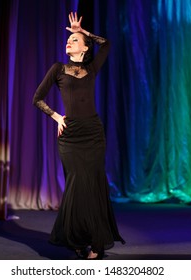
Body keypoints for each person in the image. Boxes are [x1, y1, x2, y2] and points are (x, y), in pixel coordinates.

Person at [32, 12, 125, 259]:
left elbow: (106, 44)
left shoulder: (92, 68)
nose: (69, 42)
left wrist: (84, 32)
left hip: (93, 134)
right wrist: (56, 117)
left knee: (93, 185)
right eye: (69, 40)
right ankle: (75, 237)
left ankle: (96, 241)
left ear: (84, 48)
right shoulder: (58, 69)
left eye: (74, 40)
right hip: (70, 136)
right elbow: (37, 98)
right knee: (76, 184)